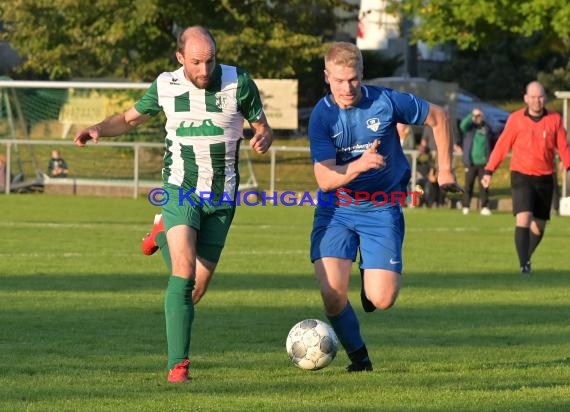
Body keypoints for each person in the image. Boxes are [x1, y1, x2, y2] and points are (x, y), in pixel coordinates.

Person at [74, 26, 273, 382]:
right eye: (196, 62)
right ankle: (177, 366)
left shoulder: (239, 82)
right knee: (182, 273)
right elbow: (129, 118)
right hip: (180, 188)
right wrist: (99, 128)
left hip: (222, 197)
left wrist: (263, 136)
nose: (204, 70)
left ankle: (161, 232)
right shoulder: (166, 85)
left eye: (210, 60)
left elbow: (262, 125)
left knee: (194, 289)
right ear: (180, 58)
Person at [308, 42, 462, 372]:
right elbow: (324, 178)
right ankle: (359, 360)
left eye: (352, 79)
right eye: (338, 80)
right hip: (337, 208)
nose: (346, 88)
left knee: (382, 300)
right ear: (327, 77)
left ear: (361, 74)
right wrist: (359, 166)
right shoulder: (323, 115)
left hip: (382, 208)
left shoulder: (386, 101)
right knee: (332, 294)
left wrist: (446, 169)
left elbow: (439, 116)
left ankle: (369, 280)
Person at [481, 81, 570, 274]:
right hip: (521, 175)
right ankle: (524, 265)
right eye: (533, 97)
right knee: (523, 216)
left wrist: (568, 165)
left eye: (540, 97)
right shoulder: (515, 119)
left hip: (545, 176)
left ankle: (526, 256)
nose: (537, 101)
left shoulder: (555, 119)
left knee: (539, 225)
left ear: (544, 98)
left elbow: (563, 146)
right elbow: (502, 145)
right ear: (526, 98)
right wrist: (489, 170)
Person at [457, 108, 496, 215]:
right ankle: (466, 205)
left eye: (480, 116)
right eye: (476, 116)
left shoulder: (486, 128)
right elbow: (462, 125)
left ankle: (484, 206)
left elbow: (493, 138)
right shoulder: (470, 127)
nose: (478, 118)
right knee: (468, 185)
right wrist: (471, 116)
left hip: (484, 162)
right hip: (470, 162)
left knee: (484, 186)